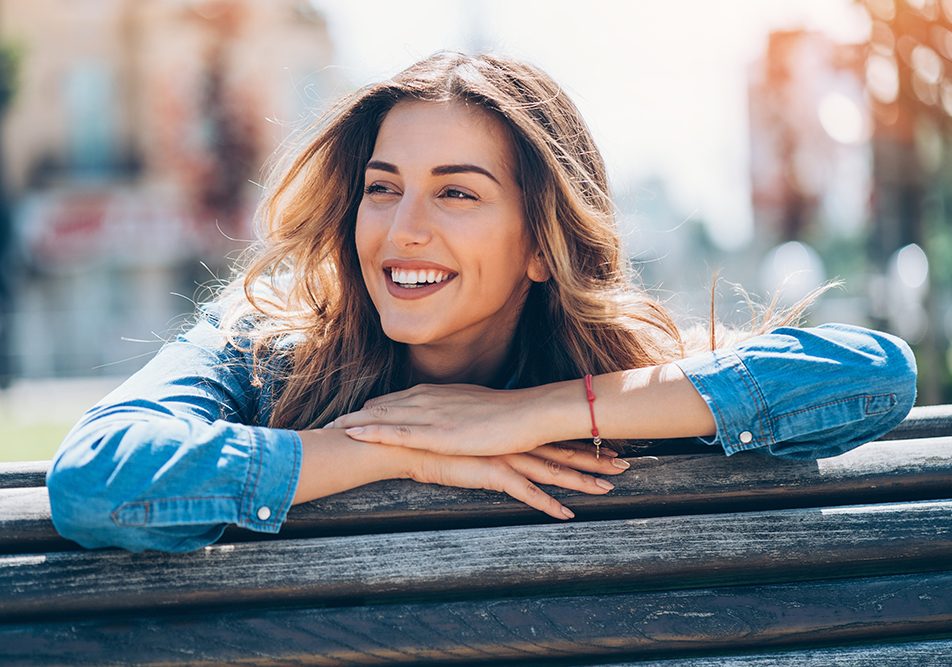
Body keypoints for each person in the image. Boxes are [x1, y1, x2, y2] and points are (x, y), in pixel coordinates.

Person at [46, 52, 917, 553]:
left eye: (456, 192)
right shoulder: (263, 345)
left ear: (541, 243)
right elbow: (95, 480)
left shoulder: (620, 374)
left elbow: (875, 377)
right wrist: (391, 450)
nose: (402, 230)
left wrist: (525, 415)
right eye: (383, 188)